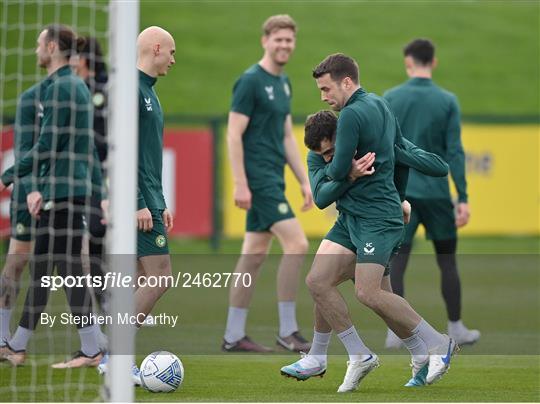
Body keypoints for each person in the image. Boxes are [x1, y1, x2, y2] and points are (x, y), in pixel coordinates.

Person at [300, 53, 458, 389]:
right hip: (353, 218)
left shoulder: (354, 113)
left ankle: (437, 343)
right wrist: (400, 194)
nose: (324, 96)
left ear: (346, 81)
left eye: (326, 89)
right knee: (318, 281)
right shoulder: (381, 104)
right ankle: (369, 354)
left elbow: (341, 171)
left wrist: (345, 175)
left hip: (377, 219)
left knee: (369, 292)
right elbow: (398, 154)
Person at [0, 24, 103, 368]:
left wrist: (11, 173)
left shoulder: (63, 87)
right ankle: (21, 344)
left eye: (39, 43)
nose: (34, 50)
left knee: (62, 270)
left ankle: (92, 347)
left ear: (54, 47)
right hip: (63, 193)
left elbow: (47, 145)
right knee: (49, 270)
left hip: (66, 195)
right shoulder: (72, 86)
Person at [223, 14, 313, 353]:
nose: (284, 45)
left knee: (254, 255)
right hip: (259, 180)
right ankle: (288, 330)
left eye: (289, 40)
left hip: (274, 177)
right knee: (298, 243)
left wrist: (304, 179)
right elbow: (233, 133)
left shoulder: (285, 83)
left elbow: (288, 135)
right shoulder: (249, 81)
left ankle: (233, 335)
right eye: (278, 39)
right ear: (265, 40)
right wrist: (240, 183)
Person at [383, 38, 479, 348]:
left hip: (404, 193)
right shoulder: (447, 100)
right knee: (447, 261)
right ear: (433, 62)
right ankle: (456, 327)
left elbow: (386, 149)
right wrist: (462, 196)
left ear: (407, 62)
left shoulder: (391, 98)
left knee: (397, 261)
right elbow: (455, 152)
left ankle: (396, 330)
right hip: (438, 194)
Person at [97, 25, 176, 384]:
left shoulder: (149, 92)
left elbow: (146, 157)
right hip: (137, 202)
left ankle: (109, 354)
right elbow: (121, 153)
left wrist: (158, 202)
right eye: (171, 52)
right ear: (155, 47)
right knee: (160, 278)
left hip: (148, 201)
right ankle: (115, 356)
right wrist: (139, 202)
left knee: (143, 279)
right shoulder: (130, 89)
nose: (173, 60)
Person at [0, 78, 51, 347]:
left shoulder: (76, 92)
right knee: (17, 262)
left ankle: (93, 342)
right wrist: (31, 188)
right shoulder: (32, 99)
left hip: (62, 192)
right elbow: (23, 149)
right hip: (28, 195)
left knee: (78, 263)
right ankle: (1, 334)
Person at [71, 36, 109, 314]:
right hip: (91, 177)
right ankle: (106, 302)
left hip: (115, 174)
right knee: (96, 234)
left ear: (83, 59)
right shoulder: (75, 90)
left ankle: (135, 302)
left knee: (134, 238)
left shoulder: (109, 87)